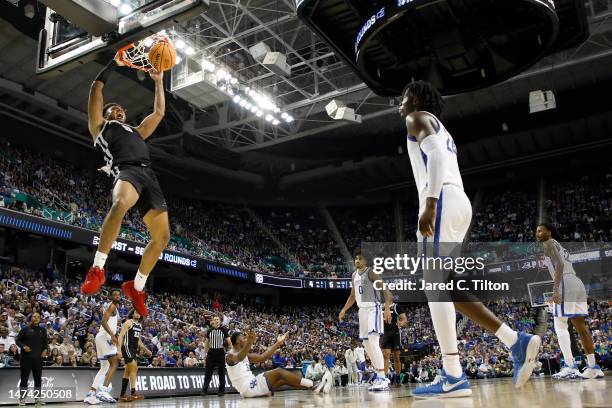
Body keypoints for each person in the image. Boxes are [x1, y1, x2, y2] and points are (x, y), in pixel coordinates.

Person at [398, 80, 541, 398]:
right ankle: (510, 343)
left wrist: (430, 204)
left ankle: (454, 374)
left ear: (418, 99)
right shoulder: (443, 128)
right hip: (458, 201)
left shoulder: (417, 117)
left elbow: (434, 157)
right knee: (443, 286)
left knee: (435, 286)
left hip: (442, 200)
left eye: (405, 96)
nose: (400, 102)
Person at [81, 54, 170, 318]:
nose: (118, 110)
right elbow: (96, 89)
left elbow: (159, 112)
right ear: (106, 114)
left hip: (148, 176)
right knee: (120, 203)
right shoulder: (100, 126)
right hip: (126, 169)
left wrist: (158, 81)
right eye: (113, 109)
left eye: (120, 109)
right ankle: (98, 268)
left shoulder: (137, 131)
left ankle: (137, 287)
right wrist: (113, 64)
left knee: (162, 238)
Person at [536, 223, 604, 379]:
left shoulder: (549, 243)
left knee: (560, 324)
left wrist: (555, 289)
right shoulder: (559, 245)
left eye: (541, 230)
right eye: (537, 231)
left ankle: (570, 366)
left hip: (565, 282)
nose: (538, 233)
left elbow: (559, 264)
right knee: (580, 326)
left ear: (549, 232)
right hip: (576, 283)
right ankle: (593, 366)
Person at [338, 249, 393, 391]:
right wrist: (344, 309)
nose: (357, 261)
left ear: (366, 261)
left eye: (360, 258)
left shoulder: (371, 272)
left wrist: (387, 308)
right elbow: (352, 296)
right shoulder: (354, 275)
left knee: (374, 342)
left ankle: (382, 376)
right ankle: (378, 374)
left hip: (373, 309)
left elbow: (386, 290)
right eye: (356, 258)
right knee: (366, 345)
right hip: (362, 311)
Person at [225, 331, 315, 398]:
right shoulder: (230, 356)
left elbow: (263, 357)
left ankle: (311, 387)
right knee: (279, 371)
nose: (246, 339)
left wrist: (278, 343)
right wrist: (249, 342)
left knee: (282, 381)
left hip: (251, 385)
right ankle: (312, 384)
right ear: (238, 342)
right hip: (248, 387)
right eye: (244, 338)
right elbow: (239, 358)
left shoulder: (246, 355)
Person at [85, 290, 121, 404]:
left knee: (104, 368)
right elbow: (103, 322)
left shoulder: (115, 307)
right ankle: (104, 390)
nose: (117, 296)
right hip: (105, 336)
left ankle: (91, 394)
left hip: (102, 337)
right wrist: (112, 335)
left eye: (118, 295)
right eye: (114, 294)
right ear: (111, 296)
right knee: (115, 363)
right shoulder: (112, 306)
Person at [117, 309, 151, 402]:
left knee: (127, 371)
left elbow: (139, 341)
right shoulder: (128, 322)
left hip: (133, 349)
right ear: (132, 314)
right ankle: (133, 392)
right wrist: (119, 350)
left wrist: (146, 350)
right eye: (136, 312)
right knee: (134, 368)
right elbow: (120, 336)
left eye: (139, 312)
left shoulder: (139, 325)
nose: (138, 314)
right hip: (126, 347)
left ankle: (122, 395)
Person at [16, 312, 48, 406]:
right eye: (34, 317)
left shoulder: (43, 330)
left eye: (38, 317)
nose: (36, 318)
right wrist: (23, 346)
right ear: (31, 318)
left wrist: (45, 349)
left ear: (40, 319)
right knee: (24, 379)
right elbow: (17, 340)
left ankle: (37, 399)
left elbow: (45, 342)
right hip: (26, 359)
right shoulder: (25, 329)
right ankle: (22, 399)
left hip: (38, 359)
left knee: (38, 379)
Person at [201, 315, 230, 396]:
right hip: (211, 353)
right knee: (208, 372)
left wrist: (232, 349)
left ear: (220, 321)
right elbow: (207, 342)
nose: (216, 320)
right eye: (215, 319)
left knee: (221, 372)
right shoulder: (209, 330)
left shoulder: (224, 330)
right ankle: (204, 390)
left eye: (217, 319)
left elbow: (228, 339)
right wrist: (206, 353)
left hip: (220, 352)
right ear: (212, 321)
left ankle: (221, 391)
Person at [381, 303, 407, 387]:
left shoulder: (396, 307)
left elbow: (404, 319)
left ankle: (398, 377)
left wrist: (400, 323)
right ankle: (384, 378)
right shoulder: (381, 306)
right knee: (386, 356)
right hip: (385, 334)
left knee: (396, 357)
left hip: (395, 334)